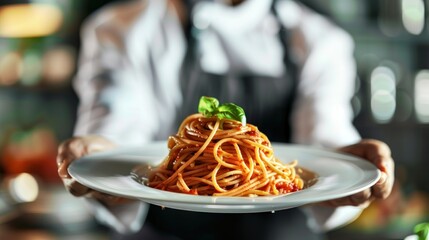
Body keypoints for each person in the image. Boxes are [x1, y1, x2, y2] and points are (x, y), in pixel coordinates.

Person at [57, 0, 395, 239]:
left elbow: (324, 129)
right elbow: (118, 128)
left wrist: (344, 160)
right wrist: (99, 157)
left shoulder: (320, 37)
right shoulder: (122, 28)